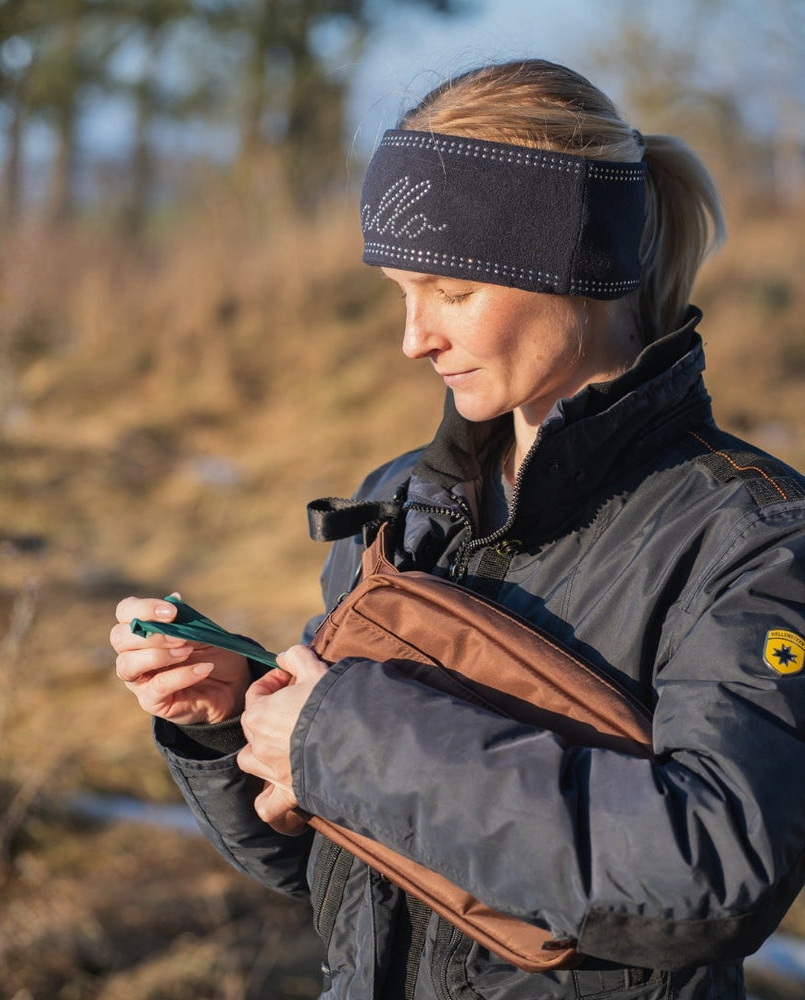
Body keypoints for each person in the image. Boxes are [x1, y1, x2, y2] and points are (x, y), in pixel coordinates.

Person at [109, 59, 805, 999]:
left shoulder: (751, 538)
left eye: (451, 292)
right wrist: (233, 720)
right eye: (402, 292)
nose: (414, 338)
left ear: (576, 266)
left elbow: (711, 873)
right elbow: (337, 874)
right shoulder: (402, 506)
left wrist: (340, 740)